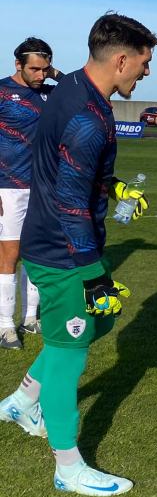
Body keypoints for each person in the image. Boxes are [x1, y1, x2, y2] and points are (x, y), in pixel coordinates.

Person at [0, 12, 157, 496]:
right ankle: (68, 468)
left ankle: (24, 399)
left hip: (59, 240)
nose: (146, 73)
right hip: (62, 249)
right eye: (144, 64)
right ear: (122, 59)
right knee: (71, 352)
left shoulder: (71, 88)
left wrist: (117, 191)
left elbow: (78, 173)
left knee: (98, 323)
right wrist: (93, 276)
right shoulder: (89, 117)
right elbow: (71, 202)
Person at [0, 38, 64, 350]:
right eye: (34, 69)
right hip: (7, 188)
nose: (40, 75)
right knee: (9, 255)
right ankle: (4, 326)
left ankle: (30, 317)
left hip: (42, 186)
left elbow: (84, 94)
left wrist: (58, 74)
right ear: (18, 65)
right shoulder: (1, 92)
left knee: (36, 254)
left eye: (44, 68)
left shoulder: (50, 93)